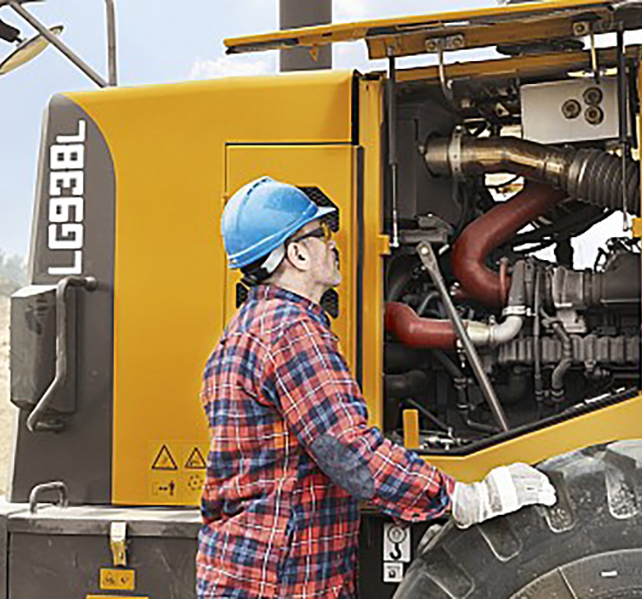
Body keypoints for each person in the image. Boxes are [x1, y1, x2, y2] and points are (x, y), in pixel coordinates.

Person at [196, 177, 557, 598]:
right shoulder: (291, 333)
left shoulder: (245, 330)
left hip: (251, 570)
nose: (333, 245)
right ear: (296, 253)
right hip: (280, 581)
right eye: (321, 235)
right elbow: (348, 450)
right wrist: (462, 498)